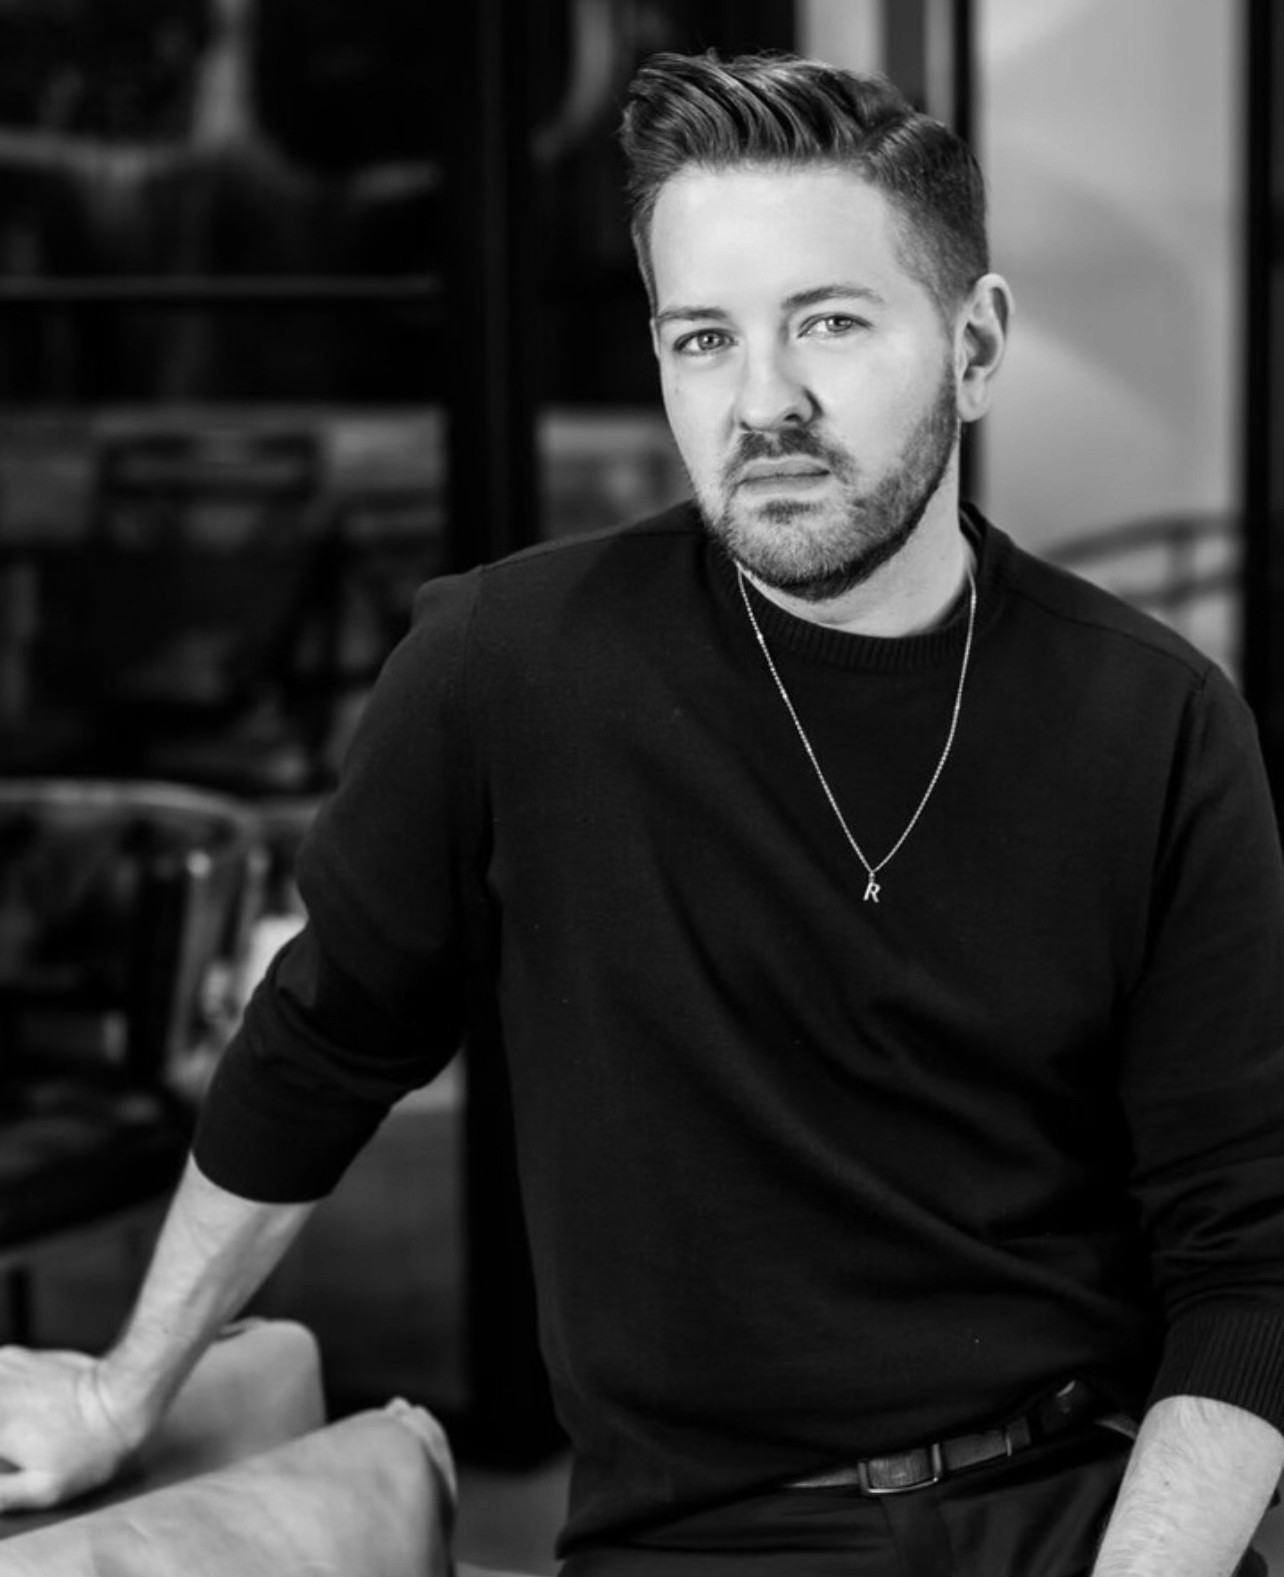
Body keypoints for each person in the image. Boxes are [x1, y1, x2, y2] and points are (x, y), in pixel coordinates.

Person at [0, 49, 1282, 1577]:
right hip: (706, 1539)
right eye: (702, 339)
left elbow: (1245, 1260)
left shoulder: (1155, 719)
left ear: (977, 344)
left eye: (830, 322)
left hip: (1084, 1505)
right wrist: (120, 1388)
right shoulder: (508, 668)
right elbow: (320, 1045)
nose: (764, 403)